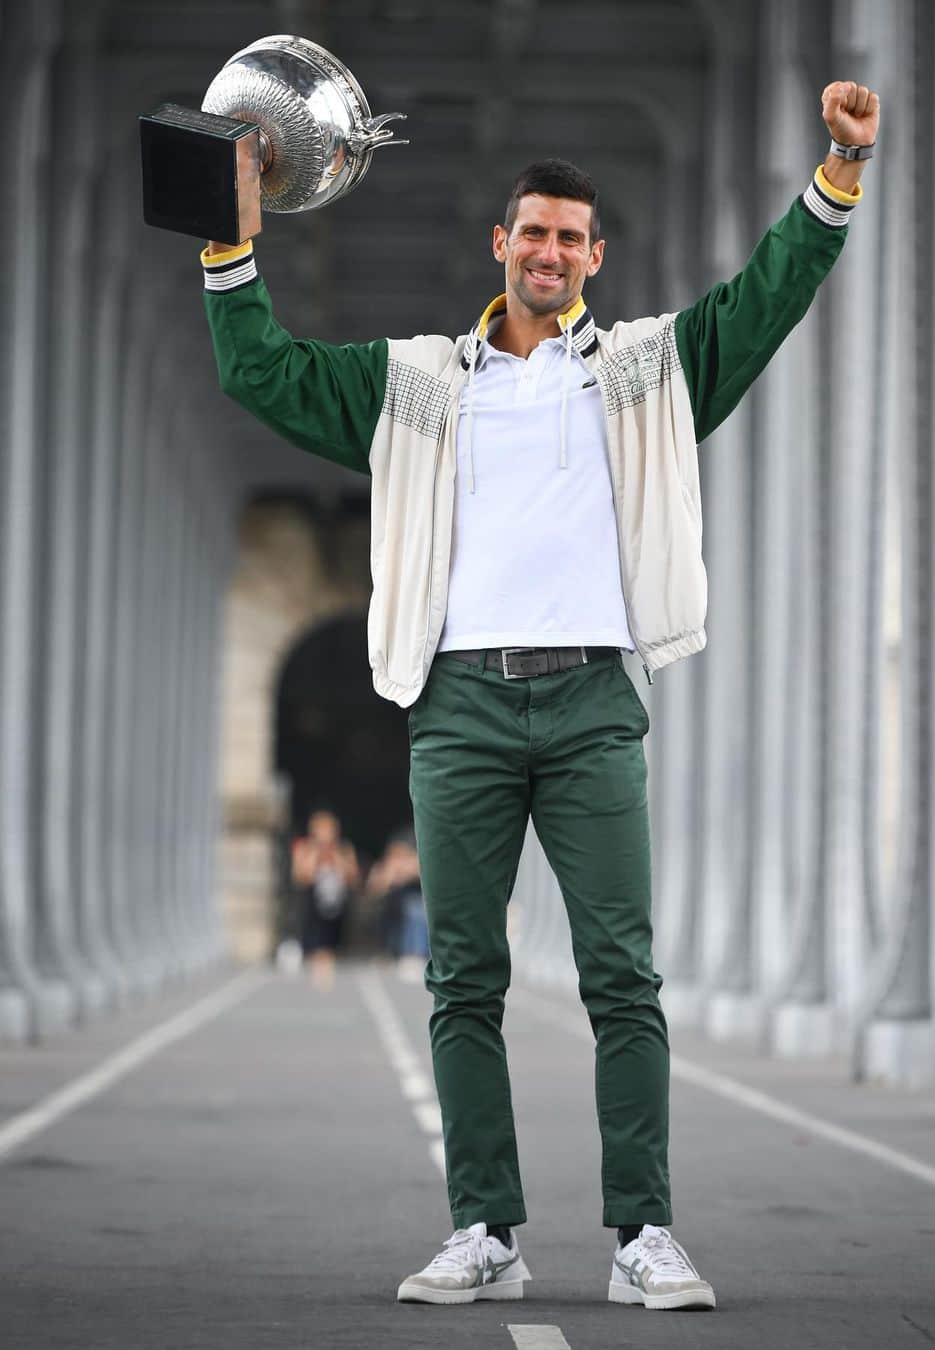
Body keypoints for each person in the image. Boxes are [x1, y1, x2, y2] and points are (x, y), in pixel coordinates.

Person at [201, 80, 879, 1310]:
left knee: (624, 976)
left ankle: (643, 1237)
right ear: (499, 246)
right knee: (464, 979)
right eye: (534, 233)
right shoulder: (417, 382)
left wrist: (834, 179)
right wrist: (230, 243)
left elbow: (762, 302)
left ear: (596, 256)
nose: (552, 253)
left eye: (573, 237)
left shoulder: (643, 375)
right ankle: (485, 1231)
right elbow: (268, 377)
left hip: (591, 709)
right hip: (458, 705)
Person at [291, 809, 361, 985]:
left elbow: (353, 878)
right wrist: (317, 855)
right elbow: (301, 878)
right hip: (313, 905)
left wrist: (335, 856)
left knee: (333, 947)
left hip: (337, 906)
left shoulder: (344, 849)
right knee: (317, 947)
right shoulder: (305, 848)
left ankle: (328, 967)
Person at [365, 825, 429, 979]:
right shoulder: (386, 867)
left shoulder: (421, 864)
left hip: (419, 908)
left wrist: (411, 872)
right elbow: (372, 890)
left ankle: (416, 954)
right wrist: (389, 877)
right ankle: (387, 953)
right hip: (392, 915)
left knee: (416, 910)